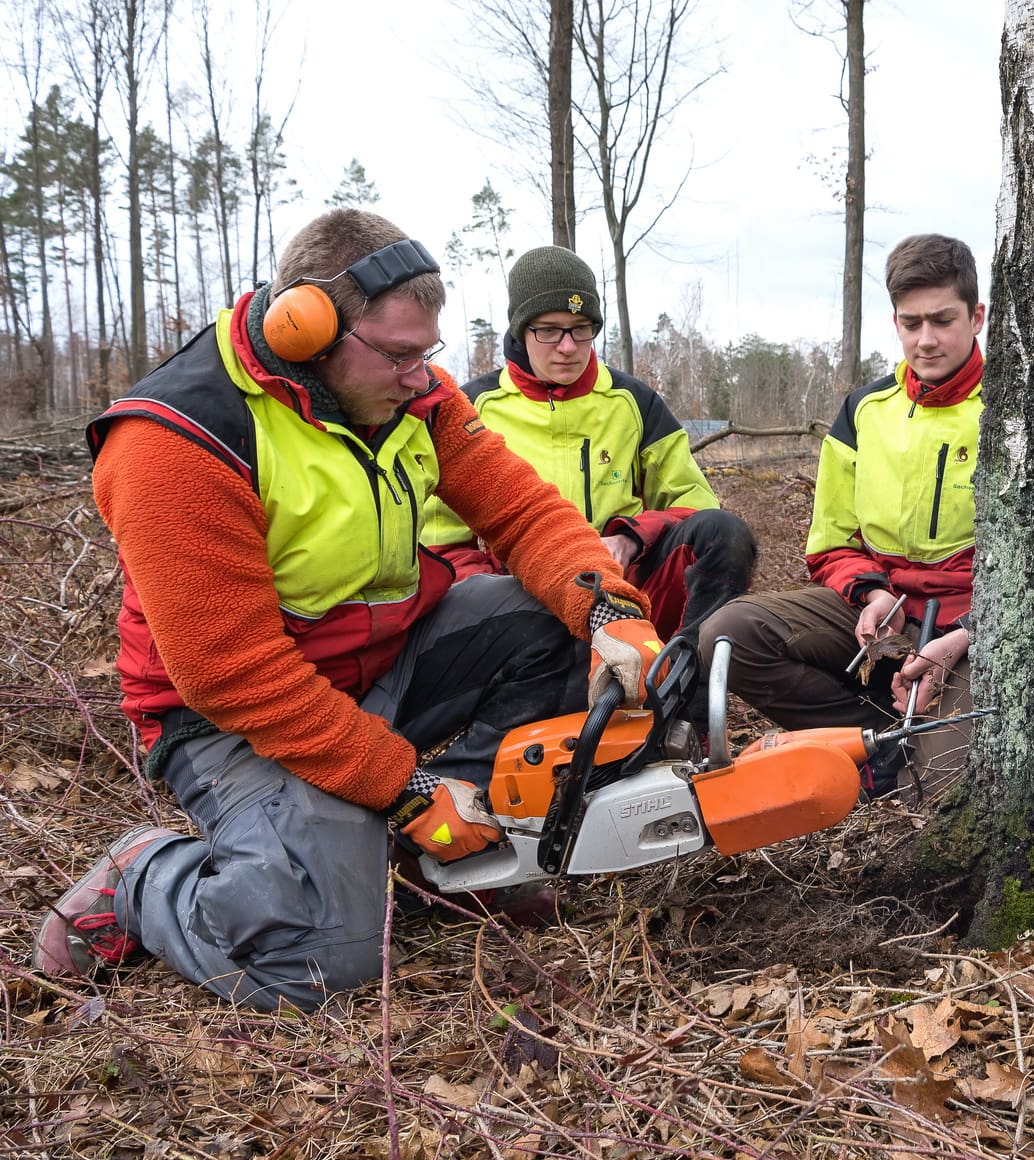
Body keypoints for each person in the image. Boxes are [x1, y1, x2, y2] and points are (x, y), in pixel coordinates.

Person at [33, 209, 666, 1011]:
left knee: (546, 620)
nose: (420, 376)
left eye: (426, 354)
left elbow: (521, 513)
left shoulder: (415, 396)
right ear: (306, 329)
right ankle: (146, 877)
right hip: (231, 720)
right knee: (319, 959)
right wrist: (404, 786)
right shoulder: (178, 440)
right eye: (400, 355)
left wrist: (610, 612)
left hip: (375, 669)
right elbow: (234, 677)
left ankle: (436, 857)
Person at [696, 234, 982, 799]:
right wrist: (872, 594)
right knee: (729, 634)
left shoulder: (1014, 411)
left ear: (977, 317)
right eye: (911, 322)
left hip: (973, 629)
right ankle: (871, 741)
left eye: (942, 320)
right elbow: (830, 542)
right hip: (887, 612)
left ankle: (915, 743)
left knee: (934, 795)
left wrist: (967, 634)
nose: (925, 340)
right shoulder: (864, 410)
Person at [421, 246, 753, 645]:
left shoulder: (634, 401)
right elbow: (442, 546)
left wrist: (631, 537)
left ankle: (684, 689)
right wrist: (516, 588)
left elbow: (697, 502)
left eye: (581, 328)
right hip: (522, 600)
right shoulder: (470, 408)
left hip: (629, 589)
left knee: (724, 533)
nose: (568, 346)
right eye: (548, 330)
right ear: (519, 330)